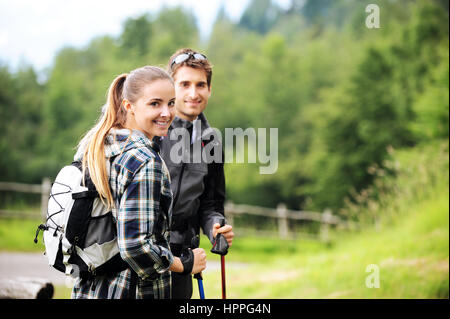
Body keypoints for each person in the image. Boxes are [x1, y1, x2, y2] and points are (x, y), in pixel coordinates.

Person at [71, 66, 206, 299]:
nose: (166, 113)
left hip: (90, 290)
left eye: (171, 103)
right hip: (130, 291)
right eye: (155, 104)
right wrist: (183, 264)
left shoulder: (98, 146)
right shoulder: (144, 161)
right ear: (129, 106)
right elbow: (136, 247)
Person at [157, 49, 234, 299]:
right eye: (185, 84)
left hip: (184, 259)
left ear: (209, 89)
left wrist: (215, 228)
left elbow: (210, 204)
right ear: (171, 88)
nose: (193, 93)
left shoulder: (212, 141)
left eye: (200, 85)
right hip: (144, 254)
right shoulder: (151, 132)